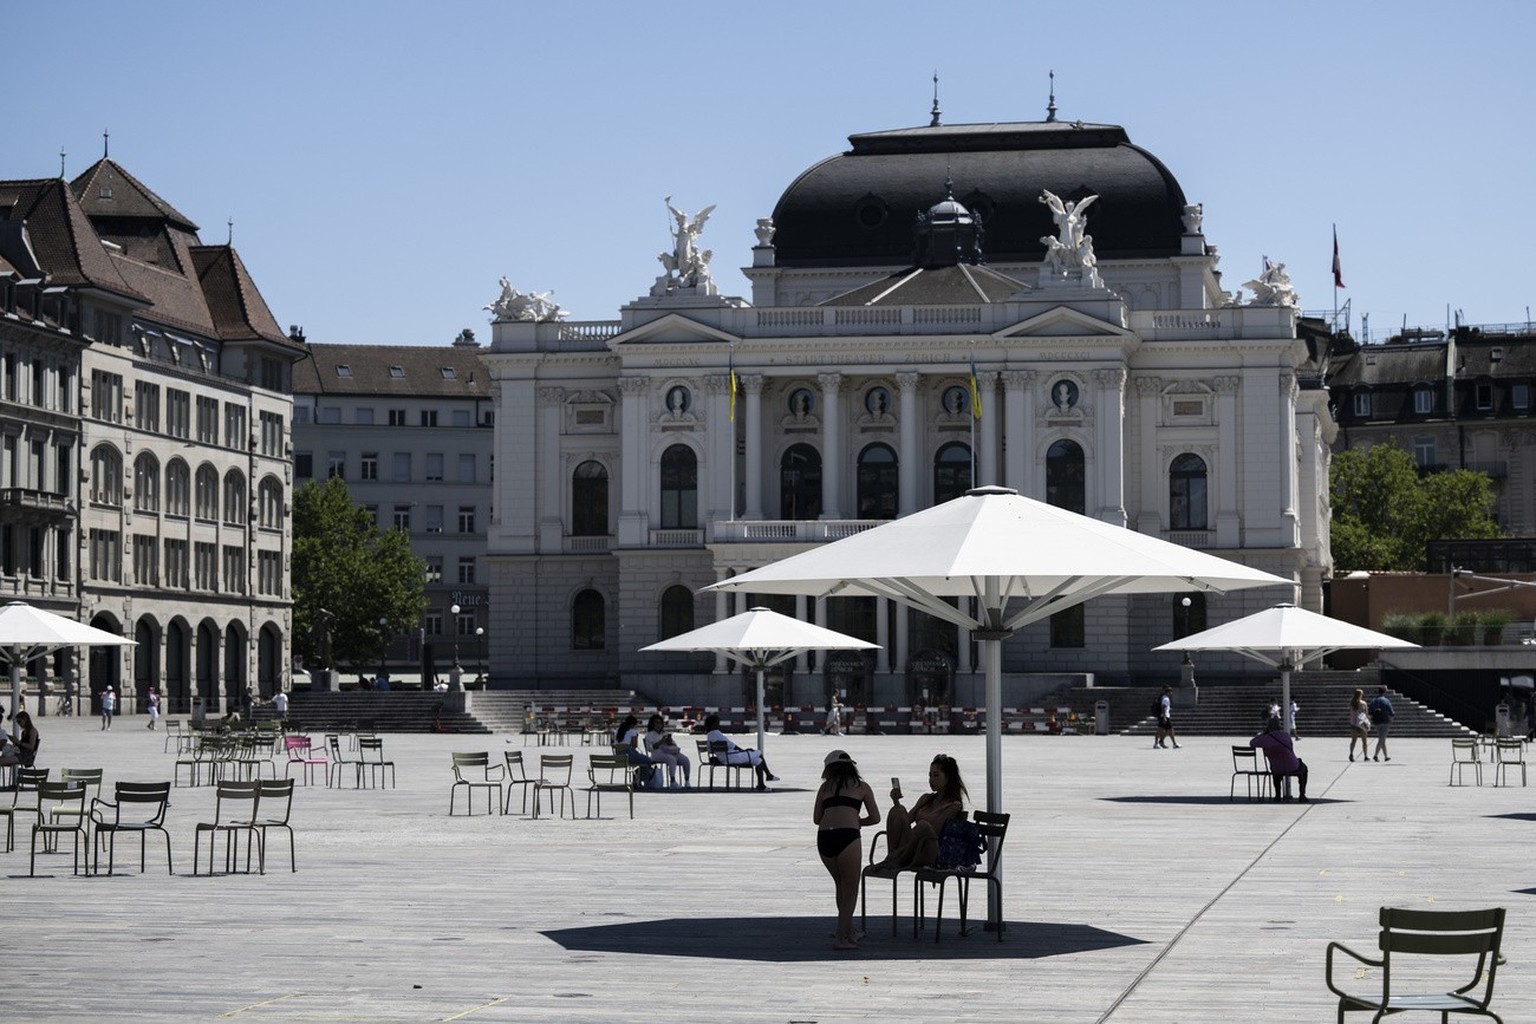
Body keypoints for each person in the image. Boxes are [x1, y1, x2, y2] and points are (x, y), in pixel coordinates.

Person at [814, 749, 880, 950]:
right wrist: (857, 821)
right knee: (850, 890)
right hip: (848, 836)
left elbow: (817, 819)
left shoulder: (824, 787)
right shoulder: (862, 787)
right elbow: (876, 818)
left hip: (825, 837)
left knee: (841, 887)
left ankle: (849, 931)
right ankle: (841, 939)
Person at [869, 753, 967, 871]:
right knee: (898, 811)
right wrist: (896, 801)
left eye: (936, 775)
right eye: (929, 775)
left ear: (948, 777)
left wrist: (902, 849)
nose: (931, 780)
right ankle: (892, 857)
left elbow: (934, 832)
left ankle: (896, 859)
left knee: (923, 826)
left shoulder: (953, 806)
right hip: (912, 848)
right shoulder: (926, 799)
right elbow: (906, 820)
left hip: (931, 849)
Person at [703, 714, 779, 790]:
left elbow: (710, 750)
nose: (719, 725)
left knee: (758, 761)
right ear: (713, 724)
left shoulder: (709, 735)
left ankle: (762, 784)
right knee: (758, 753)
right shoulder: (717, 733)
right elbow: (732, 745)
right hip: (732, 757)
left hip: (723, 758)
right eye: (717, 723)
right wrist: (744, 750)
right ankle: (768, 776)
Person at [1250, 715, 1308, 802]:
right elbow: (1291, 748)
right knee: (1303, 769)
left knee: (1276, 773)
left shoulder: (1265, 739)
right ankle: (1302, 794)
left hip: (1276, 767)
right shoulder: (1285, 735)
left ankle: (1277, 795)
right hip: (1291, 765)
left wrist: (1263, 733)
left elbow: (1252, 743)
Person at [643, 713, 691, 790]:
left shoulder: (664, 733)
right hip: (657, 754)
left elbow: (674, 745)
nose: (658, 725)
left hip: (669, 751)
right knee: (671, 759)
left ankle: (687, 781)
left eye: (660, 723)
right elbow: (650, 748)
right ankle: (672, 781)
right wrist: (661, 742)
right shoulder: (649, 735)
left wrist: (670, 742)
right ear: (652, 724)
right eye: (656, 723)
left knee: (685, 760)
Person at [1368, 687, 1395, 762]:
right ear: (1384, 692)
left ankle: (1386, 756)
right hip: (1385, 721)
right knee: (1381, 739)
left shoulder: (1374, 700)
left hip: (1376, 721)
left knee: (1382, 739)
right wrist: (1391, 719)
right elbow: (1391, 712)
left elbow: (1369, 711)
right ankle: (1375, 755)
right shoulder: (1386, 700)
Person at [1348, 688, 1371, 762]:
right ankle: (1365, 756)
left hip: (1353, 723)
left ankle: (1351, 754)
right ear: (1360, 695)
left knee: (1353, 740)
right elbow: (1366, 713)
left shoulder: (1351, 703)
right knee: (1364, 741)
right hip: (1361, 724)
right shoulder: (1363, 703)